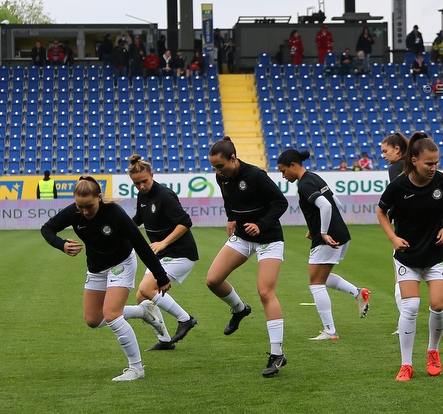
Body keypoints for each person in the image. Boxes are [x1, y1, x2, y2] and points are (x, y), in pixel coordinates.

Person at [40, 176, 172, 381]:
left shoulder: (114, 213)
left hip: (122, 263)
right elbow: (47, 228)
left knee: (111, 315)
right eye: (79, 206)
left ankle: (136, 368)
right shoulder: (74, 212)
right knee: (93, 320)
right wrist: (61, 244)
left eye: (89, 206)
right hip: (96, 267)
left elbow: (140, 244)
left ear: (99, 198)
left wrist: (160, 276)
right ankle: (143, 311)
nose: (84, 211)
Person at [377, 133, 443, 381]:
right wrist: (392, 237)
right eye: (429, 163)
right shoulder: (399, 185)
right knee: (410, 306)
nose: (434, 168)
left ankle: (433, 352)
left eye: (436, 163)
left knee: (438, 305)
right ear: (414, 161)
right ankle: (406, 364)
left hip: (436, 254)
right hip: (407, 256)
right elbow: (381, 211)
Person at [204, 137, 289, 377]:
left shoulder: (256, 176)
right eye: (214, 168)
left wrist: (261, 225)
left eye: (220, 166)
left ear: (233, 158)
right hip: (242, 237)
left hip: (269, 239)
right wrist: (231, 218)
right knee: (213, 280)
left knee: (265, 292)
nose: (217, 171)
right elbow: (227, 199)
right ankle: (240, 309)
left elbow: (280, 203)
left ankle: (277, 354)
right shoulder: (222, 177)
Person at [277, 149, 371, 341]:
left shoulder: (305, 185)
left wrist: (323, 231)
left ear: (293, 165)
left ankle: (330, 331)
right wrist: (317, 227)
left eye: (283, 170)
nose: (283, 175)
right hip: (341, 234)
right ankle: (358, 293)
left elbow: (326, 206)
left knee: (316, 284)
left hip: (329, 238)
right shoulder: (314, 177)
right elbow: (336, 202)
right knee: (323, 277)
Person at [128, 154, 199, 351]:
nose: (141, 186)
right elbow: (139, 218)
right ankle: (166, 340)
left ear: (152, 174)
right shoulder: (142, 195)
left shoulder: (165, 195)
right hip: (162, 255)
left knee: (146, 289)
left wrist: (163, 242)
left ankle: (186, 319)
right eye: (137, 184)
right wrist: (122, 229)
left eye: (144, 181)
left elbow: (185, 222)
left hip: (181, 253)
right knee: (142, 298)